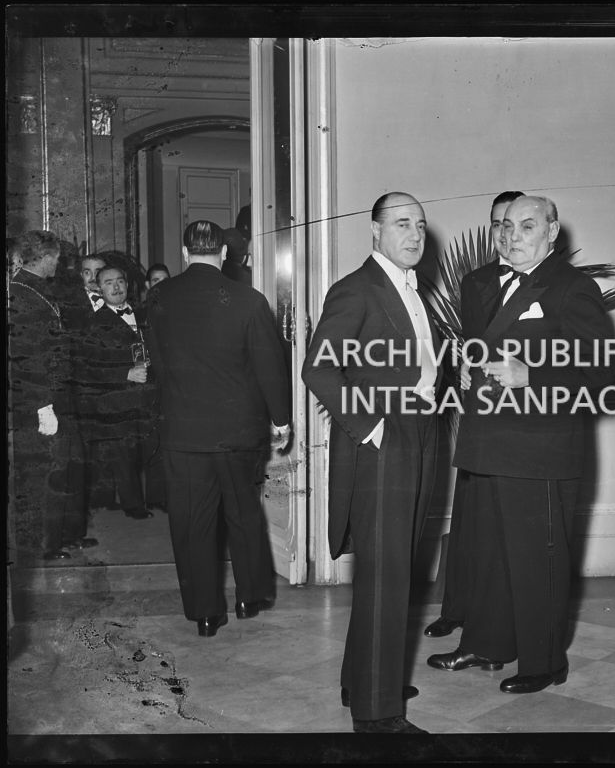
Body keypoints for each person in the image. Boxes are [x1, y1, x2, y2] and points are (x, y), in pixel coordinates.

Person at [429, 195, 615, 695]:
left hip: (541, 454)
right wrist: (465, 368)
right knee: (489, 555)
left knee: (540, 563)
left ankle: (544, 661)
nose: (513, 236)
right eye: (507, 227)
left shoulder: (573, 289)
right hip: (487, 444)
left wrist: (532, 375)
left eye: (528, 226)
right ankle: (487, 644)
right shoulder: (483, 285)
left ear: (552, 232)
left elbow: (607, 382)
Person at [302, 192, 440, 734]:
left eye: (420, 225)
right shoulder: (356, 289)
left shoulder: (410, 288)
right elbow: (319, 370)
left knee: (396, 568)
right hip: (385, 440)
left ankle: (363, 678)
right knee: (386, 576)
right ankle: (378, 715)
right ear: (375, 231)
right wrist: (374, 428)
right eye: (401, 223)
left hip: (421, 433)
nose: (413, 234)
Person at [145, 220, 291, 638]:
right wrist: (280, 420)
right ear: (223, 254)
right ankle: (251, 597)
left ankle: (206, 613)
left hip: (183, 431)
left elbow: (157, 363)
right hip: (238, 430)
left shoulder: (157, 298)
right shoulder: (248, 300)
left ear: (185, 253)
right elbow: (269, 367)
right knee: (243, 512)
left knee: (193, 523)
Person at [423, 189, 524, 640]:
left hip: (525, 416)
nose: (504, 234)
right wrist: (463, 365)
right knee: (468, 516)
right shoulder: (476, 282)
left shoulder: (547, 282)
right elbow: (471, 343)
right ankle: (456, 609)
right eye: (497, 225)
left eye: (512, 223)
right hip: (480, 412)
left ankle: (502, 621)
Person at [8, 231, 89, 560]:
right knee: (44, 474)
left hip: (58, 396)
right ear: (40, 257)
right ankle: (43, 545)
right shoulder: (20, 295)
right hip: (40, 401)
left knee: (63, 468)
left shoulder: (36, 289)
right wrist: (44, 406)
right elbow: (28, 356)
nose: (59, 262)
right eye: (55, 257)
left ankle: (61, 537)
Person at [75, 265, 162, 521]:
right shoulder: (95, 323)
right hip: (117, 399)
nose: (116, 287)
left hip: (148, 394)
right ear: (99, 289)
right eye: (109, 283)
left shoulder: (143, 313)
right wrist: (125, 374)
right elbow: (89, 366)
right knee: (123, 454)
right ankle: (133, 505)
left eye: (120, 282)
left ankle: (158, 497)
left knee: (151, 447)